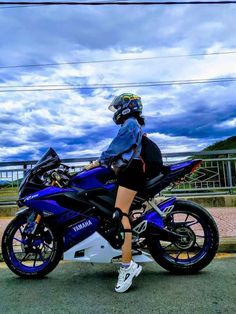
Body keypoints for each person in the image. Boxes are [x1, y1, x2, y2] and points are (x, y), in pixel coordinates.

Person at [85, 93, 147, 293]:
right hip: (128, 171)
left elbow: (115, 148)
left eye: (118, 106)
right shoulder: (131, 124)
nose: (117, 111)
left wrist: (97, 162)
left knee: (121, 214)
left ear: (127, 107)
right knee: (120, 213)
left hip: (131, 172)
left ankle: (128, 266)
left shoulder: (130, 124)